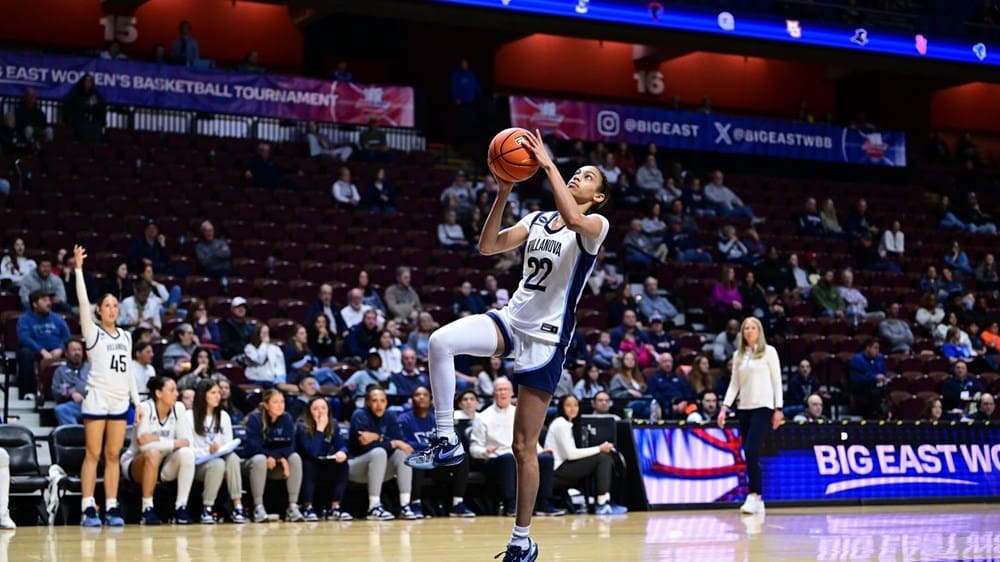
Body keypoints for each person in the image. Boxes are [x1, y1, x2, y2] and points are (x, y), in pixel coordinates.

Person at [404, 133, 607, 559]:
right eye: (575, 172)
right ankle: (446, 438)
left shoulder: (593, 228)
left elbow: (572, 220)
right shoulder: (535, 220)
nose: (577, 176)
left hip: (547, 341)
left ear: (598, 196)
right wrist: (503, 192)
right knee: (440, 341)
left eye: (586, 176)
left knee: (522, 447)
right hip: (511, 321)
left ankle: (521, 539)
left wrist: (548, 164)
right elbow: (487, 246)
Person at [468, 378, 565, 519]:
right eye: (499, 390)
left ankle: (544, 503)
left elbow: (530, 440)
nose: (502, 393)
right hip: (497, 460)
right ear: (493, 393)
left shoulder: (520, 413)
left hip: (520, 457)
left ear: (512, 393)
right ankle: (511, 504)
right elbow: (474, 447)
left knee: (545, 458)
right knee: (508, 458)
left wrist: (540, 451)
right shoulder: (483, 417)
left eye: (505, 390)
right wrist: (484, 452)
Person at [717, 317, 783, 515]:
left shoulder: (769, 352)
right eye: (746, 328)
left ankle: (754, 495)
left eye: (753, 328)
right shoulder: (739, 355)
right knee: (749, 454)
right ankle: (758, 499)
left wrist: (778, 408)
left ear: (759, 331)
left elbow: (776, 380)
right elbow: (734, 385)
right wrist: (724, 407)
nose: (749, 331)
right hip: (744, 408)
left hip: (764, 406)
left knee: (751, 449)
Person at [121, 376, 195, 525]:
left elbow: (186, 441)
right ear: (159, 393)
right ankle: (147, 508)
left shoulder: (179, 408)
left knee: (187, 454)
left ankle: (181, 506)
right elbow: (143, 445)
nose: (176, 394)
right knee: (153, 453)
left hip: (163, 463)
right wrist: (174, 443)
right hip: (135, 463)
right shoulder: (146, 408)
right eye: (172, 390)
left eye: (176, 390)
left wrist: (155, 439)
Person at [399, 386, 474, 518]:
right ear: (411, 400)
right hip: (416, 465)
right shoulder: (404, 419)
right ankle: (415, 503)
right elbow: (403, 443)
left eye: (425, 395)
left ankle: (457, 504)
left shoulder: (436, 420)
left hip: (437, 464)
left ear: (430, 400)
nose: (421, 397)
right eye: (417, 395)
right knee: (418, 457)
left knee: (461, 456)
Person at [544, 395, 626, 515]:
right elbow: (571, 454)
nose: (573, 408)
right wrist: (599, 448)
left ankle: (602, 500)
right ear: (561, 407)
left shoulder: (568, 424)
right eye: (568, 405)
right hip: (556, 471)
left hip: (563, 467)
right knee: (603, 458)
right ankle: (602, 503)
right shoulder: (560, 424)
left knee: (603, 458)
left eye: (576, 405)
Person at [348, 385, 417, 520]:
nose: (379, 405)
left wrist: (377, 438)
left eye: (382, 400)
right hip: (356, 466)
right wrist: (390, 442)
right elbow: (365, 447)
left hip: (381, 470)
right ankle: (374, 506)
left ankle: (405, 505)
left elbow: (399, 441)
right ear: (367, 402)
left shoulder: (390, 415)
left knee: (401, 454)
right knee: (378, 452)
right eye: (374, 401)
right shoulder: (359, 415)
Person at [185, 379, 248, 523]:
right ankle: (207, 508)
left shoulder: (224, 416)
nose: (218, 396)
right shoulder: (189, 416)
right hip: (198, 464)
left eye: (219, 393)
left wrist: (220, 449)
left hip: (219, 459)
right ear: (203, 395)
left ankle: (238, 506)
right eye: (213, 393)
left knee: (232, 457)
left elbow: (228, 444)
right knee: (218, 464)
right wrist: (209, 451)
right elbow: (188, 450)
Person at [241, 390, 305, 523]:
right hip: (252, 463)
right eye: (275, 402)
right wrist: (269, 456)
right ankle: (258, 507)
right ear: (266, 404)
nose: (280, 405)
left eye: (282, 402)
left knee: (295, 458)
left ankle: (292, 506)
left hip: (275, 463)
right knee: (260, 459)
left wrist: (277, 457)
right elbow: (253, 446)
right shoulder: (255, 419)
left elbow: (290, 445)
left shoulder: (286, 418)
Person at [295, 395, 352, 521]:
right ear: (309, 412)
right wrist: (320, 428)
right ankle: (307, 507)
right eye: (316, 409)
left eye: (323, 408)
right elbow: (312, 452)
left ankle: (335, 507)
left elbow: (342, 445)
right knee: (309, 463)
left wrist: (342, 452)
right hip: (307, 466)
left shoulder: (333, 425)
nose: (320, 412)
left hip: (325, 464)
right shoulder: (301, 426)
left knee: (343, 463)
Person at [16, 290, 71, 400]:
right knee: (24, 353)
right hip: (36, 351)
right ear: (35, 304)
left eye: (49, 300)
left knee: (75, 350)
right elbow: (24, 338)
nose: (49, 303)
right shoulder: (25, 319)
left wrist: (60, 349)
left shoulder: (57, 318)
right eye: (44, 300)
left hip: (56, 350)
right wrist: (41, 350)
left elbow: (67, 336)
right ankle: (28, 392)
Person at [52, 338, 91, 425]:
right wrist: (71, 393)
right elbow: (55, 390)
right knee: (61, 410)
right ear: (66, 353)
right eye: (73, 350)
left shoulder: (91, 368)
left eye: (79, 350)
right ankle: (75, 436)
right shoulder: (60, 371)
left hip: (92, 404)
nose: (77, 353)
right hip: (73, 406)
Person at [244, 324, 292, 391]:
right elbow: (260, 360)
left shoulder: (275, 348)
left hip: (270, 381)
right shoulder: (249, 348)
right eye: (264, 333)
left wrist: (280, 380)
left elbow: (280, 366)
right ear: (257, 334)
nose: (266, 336)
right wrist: (264, 344)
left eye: (267, 333)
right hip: (255, 380)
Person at [849, 339, 888, 419]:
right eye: (875, 348)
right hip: (863, 391)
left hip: (879, 389)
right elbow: (856, 378)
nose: (877, 351)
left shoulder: (880, 358)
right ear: (868, 348)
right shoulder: (857, 360)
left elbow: (884, 373)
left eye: (878, 348)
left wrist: (885, 378)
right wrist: (874, 378)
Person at [63, 74, 106, 142]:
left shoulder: (96, 95)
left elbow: (101, 108)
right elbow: (72, 107)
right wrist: (87, 104)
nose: (88, 83)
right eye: (86, 81)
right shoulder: (76, 94)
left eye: (90, 81)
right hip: (79, 121)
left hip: (93, 122)